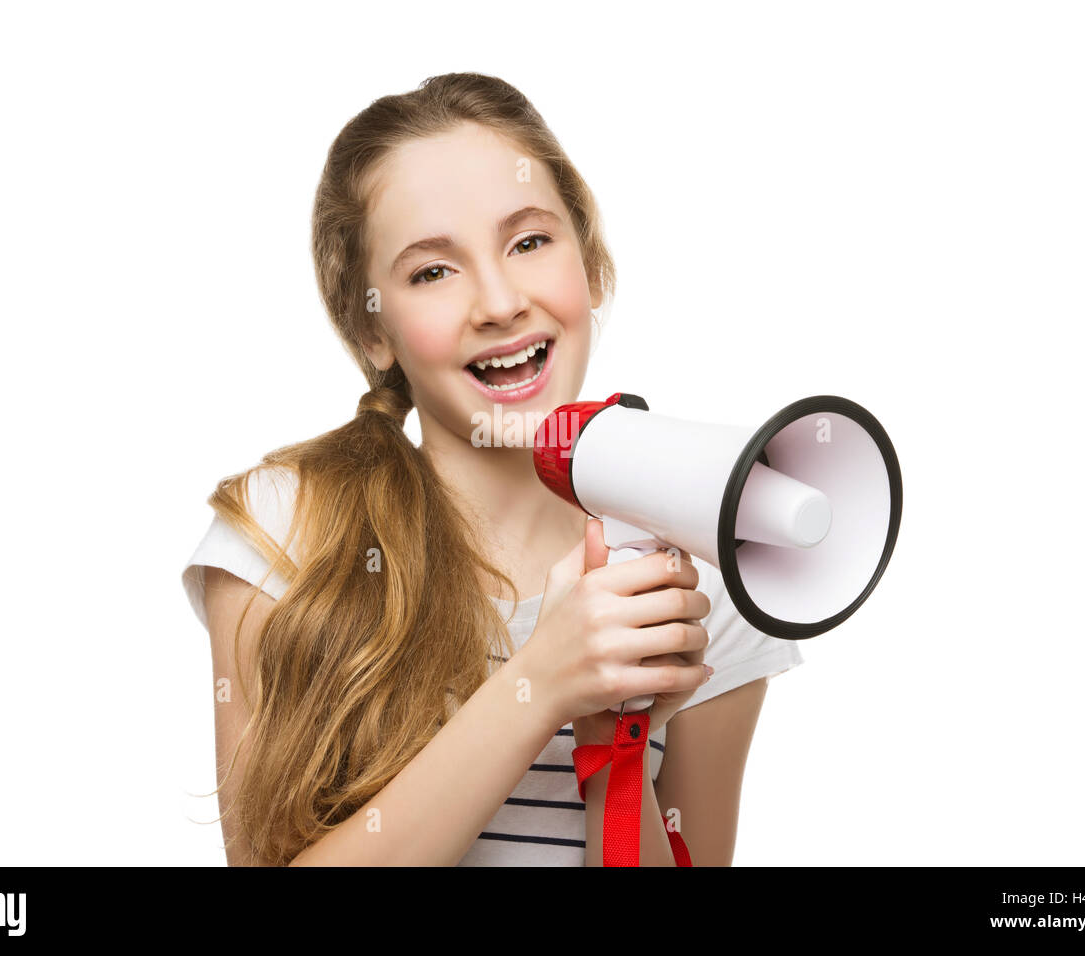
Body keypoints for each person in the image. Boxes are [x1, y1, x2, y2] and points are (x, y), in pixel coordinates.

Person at [180, 72, 803, 866]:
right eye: (433, 271)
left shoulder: (706, 581)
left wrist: (613, 746)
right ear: (374, 335)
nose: (501, 302)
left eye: (530, 242)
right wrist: (540, 684)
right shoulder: (285, 533)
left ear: (592, 269)